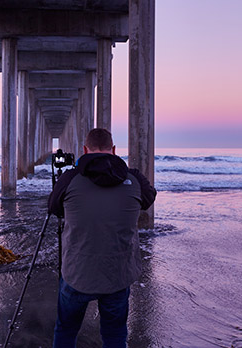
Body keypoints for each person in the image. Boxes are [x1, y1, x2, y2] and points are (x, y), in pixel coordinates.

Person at [47, 128, 156, 348]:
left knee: (66, 330)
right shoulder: (133, 178)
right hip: (118, 274)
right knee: (115, 334)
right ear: (113, 150)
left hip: (76, 273)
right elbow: (148, 198)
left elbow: (53, 208)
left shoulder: (70, 178)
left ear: (85, 150)